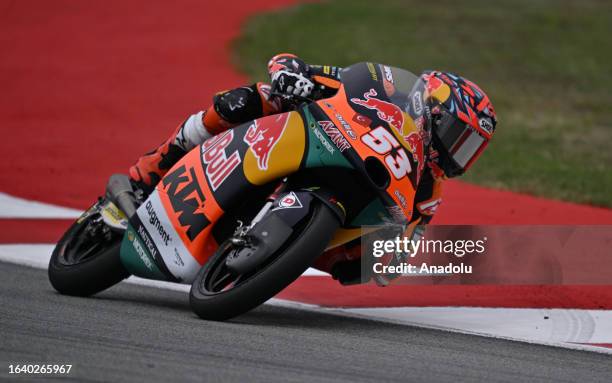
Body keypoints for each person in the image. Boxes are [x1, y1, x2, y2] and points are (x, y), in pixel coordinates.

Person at [128, 53, 497, 285]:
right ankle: (156, 164)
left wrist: (380, 260)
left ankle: (271, 245)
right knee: (250, 99)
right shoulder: (383, 89)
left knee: (355, 263)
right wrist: (294, 75)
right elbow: (302, 68)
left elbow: (404, 246)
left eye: (470, 147)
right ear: (429, 108)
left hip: (346, 211)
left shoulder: (430, 188)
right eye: (457, 135)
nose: (456, 153)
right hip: (307, 137)